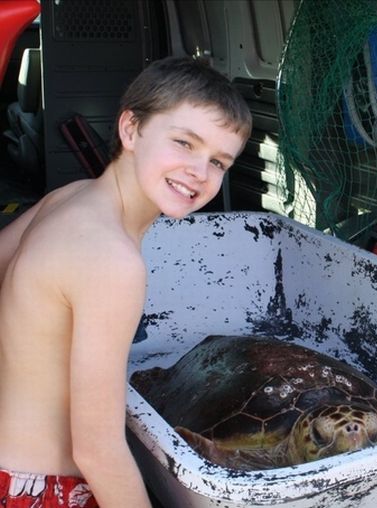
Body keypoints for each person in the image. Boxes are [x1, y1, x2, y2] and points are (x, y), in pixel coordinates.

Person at [0, 56, 252, 507]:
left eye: (218, 161)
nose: (200, 171)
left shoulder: (70, 197)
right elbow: (97, 450)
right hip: (37, 491)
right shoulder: (113, 262)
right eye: (184, 142)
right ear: (131, 129)